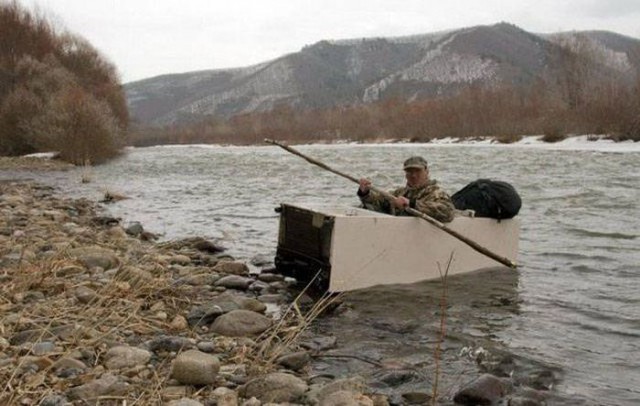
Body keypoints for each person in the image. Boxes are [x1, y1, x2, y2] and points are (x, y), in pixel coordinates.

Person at [357, 156, 455, 223]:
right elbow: (381, 200)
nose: (413, 175)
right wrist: (365, 192)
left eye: (418, 171)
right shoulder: (400, 192)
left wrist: (411, 204)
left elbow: (447, 212)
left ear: (427, 171)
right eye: (409, 172)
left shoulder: (436, 193)